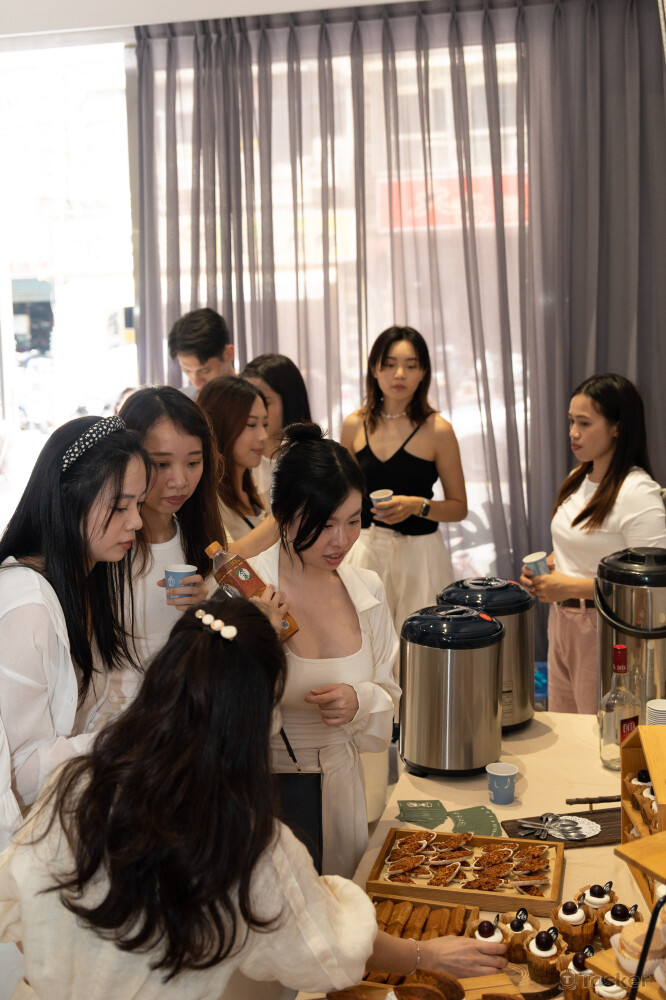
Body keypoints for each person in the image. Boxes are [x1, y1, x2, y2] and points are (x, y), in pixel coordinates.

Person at [0, 597, 506, 999]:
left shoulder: (78, 783)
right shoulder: (241, 838)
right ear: (258, 714)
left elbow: (16, 904)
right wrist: (424, 955)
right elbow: (329, 946)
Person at [249, 423, 401, 879]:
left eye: (353, 521)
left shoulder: (365, 589)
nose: (341, 541)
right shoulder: (248, 591)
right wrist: (260, 646)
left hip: (341, 786)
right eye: (324, 524)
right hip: (261, 794)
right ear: (282, 515)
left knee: (344, 905)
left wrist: (360, 700)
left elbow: (389, 693)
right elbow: (218, 716)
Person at [0, 415, 152, 827]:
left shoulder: (84, 580)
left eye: (139, 504)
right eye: (120, 507)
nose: (136, 522)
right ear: (68, 500)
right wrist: (127, 739)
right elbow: (17, 774)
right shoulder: (26, 605)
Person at [520, 374, 666, 714]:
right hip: (562, 622)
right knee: (566, 724)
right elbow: (580, 546)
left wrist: (570, 586)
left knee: (602, 728)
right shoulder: (577, 478)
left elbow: (653, 586)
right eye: (571, 421)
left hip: (606, 626)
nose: (573, 432)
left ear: (617, 427)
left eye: (584, 423)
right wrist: (550, 566)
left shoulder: (637, 492)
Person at [107, 386, 227, 710]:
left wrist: (204, 611)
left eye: (193, 462)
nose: (180, 481)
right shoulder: (107, 547)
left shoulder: (203, 541)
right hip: (118, 721)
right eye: (161, 464)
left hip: (186, 715)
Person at [341, 325, 467, 634]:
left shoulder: (438, 429)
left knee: (420, 642)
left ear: (423, 372)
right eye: (389, 364)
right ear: (374, 369)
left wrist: (418, 505)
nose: (399, 374)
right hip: (366, 547)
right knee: (365, 639)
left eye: (411, 366)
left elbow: (458, 507)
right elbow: (341, 496)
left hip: (420, 553)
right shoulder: (354, 424)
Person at [197, 375, 279, 555]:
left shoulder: (251, 492)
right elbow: (221, 558)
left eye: (265, 424)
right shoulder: (206, 497)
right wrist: (283, 517)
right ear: (221, 424)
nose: (263, 436)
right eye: (251, 424)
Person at [241, 353, 312, 503]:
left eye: (264, 401)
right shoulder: (237, 456)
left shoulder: (313, 460)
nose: (253, 410)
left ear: (289, 401)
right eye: (246, 401)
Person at [168, 307, 235, 391]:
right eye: (187, 370)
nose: (196, 383)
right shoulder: (180, 397)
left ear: (228, 354)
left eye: (205, 370)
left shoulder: (250, 396)